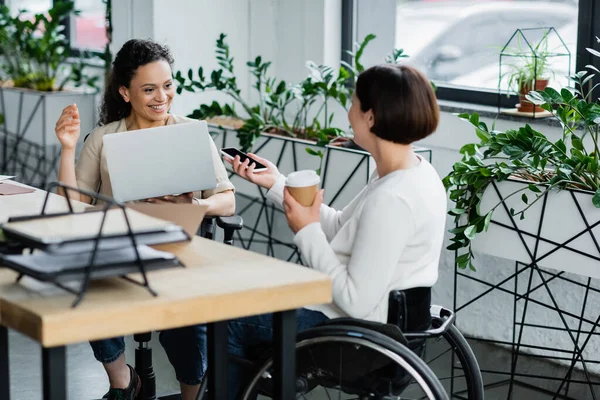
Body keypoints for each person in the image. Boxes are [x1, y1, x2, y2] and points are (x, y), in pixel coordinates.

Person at [158, 63, 447, 399]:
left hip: (355, 331)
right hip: (381, 317)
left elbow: (356, 300)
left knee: (218, 318)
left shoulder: (393, 198)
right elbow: (340, 224)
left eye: (354, 103)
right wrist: (277, 184)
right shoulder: (412, 173)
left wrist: (306, 231)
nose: (349, 112)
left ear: (370, 117)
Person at [53, 39, 235, 400]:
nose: (161, 97)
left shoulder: (193, 132)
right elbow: (71, 208)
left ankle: (192, 395)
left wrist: (195, 205)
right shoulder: (103, 139)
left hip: (178, 252)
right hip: (118, 252)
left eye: (167, 86)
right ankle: (123, 381)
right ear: (125, 92)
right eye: (149, 89)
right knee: (86, 282)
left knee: (188, 320)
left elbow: (227, 200)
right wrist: (68, 148)